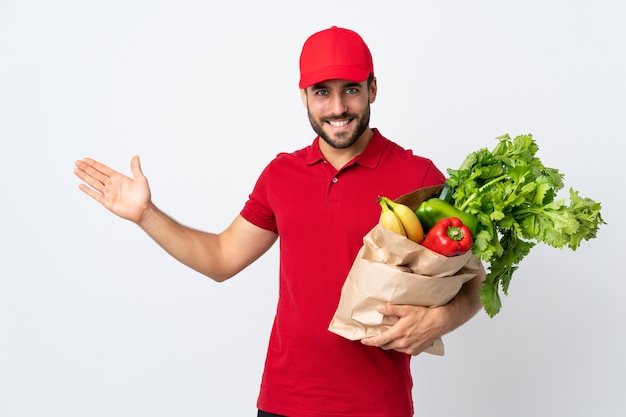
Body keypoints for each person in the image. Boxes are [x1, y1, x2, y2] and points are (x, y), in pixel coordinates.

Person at [74, 26, 485, 417]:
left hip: (377, 405)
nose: (338, 108)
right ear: (304, 96)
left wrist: (440, 319)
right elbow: (221, 257)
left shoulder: (417, 177)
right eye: (322, 92)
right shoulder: (282, 175)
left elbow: (473, 283)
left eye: (351, 91)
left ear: (373, 89)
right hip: (284, 400)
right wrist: (146, 214)